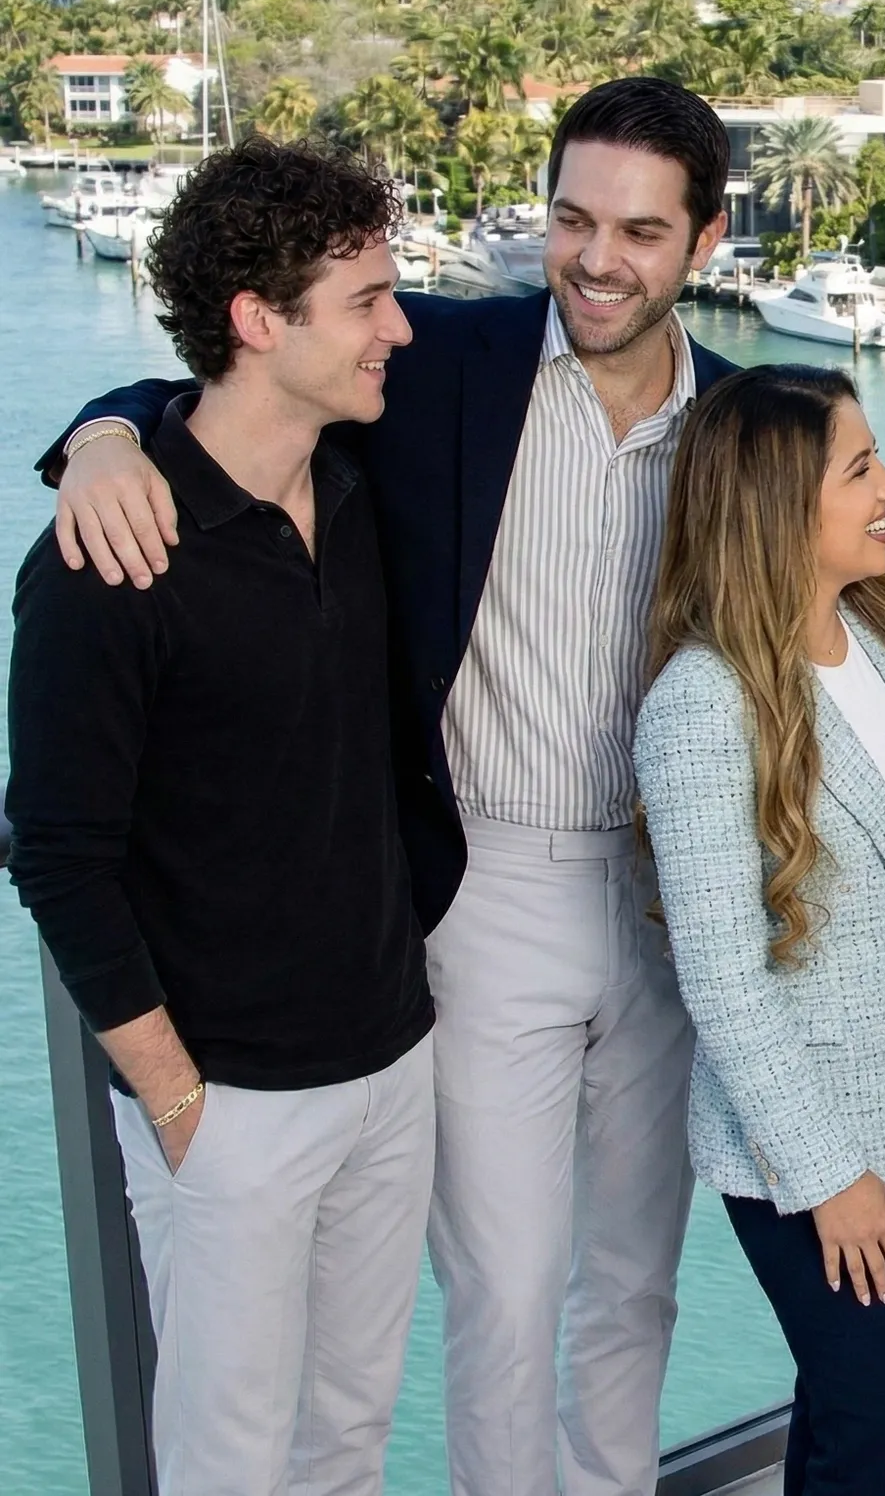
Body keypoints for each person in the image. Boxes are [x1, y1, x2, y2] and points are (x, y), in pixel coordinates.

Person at [41, 78, 739, 1496]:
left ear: (707, 246)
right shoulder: (438, 367)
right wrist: (99, 440)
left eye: (642, 231)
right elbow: (216, 386)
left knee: (636, 1280)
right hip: (484, 890)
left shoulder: (750, 423)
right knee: (502, 1290)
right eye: (571, 218)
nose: (598, 258)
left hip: (672, 901)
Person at [7, 139, 435, 1495]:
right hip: (230, 1101)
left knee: (350, 1441)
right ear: (261, 322)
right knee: (226, 1467)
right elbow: (60, 858)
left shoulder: (362, 485)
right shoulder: (105, 560)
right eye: (367, 300)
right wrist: (179, 1102)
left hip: (392, 1060)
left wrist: (105, 418)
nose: (399, 327)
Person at [633, 365, 885, 1495]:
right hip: (815, 1129)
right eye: (858, 468)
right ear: (779, 501)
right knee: (876, 1420)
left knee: (854, 1407)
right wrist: (827, 1173)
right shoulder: (701, 704)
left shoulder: (872, 636)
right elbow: (722, 982)